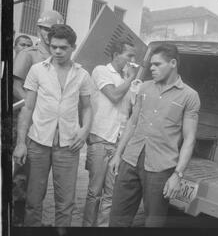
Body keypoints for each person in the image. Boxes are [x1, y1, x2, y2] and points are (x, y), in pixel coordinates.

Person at [109, 43, 200, 227]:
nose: (151, 68)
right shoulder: (144, 88)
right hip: (131, 160)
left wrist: (177, 175)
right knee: (118, 219)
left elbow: (189, 139)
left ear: (173, 63)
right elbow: (133, 122)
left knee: (153, 223)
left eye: (157, 64)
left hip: (161, 167)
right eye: (151, 64)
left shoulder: (189, 96)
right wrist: (118, 154)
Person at [12, 24, 93, 227]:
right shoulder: (37, 70)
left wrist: (84, 132)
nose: (57, 51)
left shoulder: (82, 75)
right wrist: (21, 143)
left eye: (63, 47)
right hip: (38, 143)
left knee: (65, 204)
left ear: (73, 47)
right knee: (33, 201)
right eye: (54, 46)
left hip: (68, 146)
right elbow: (28, 109)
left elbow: (87, 108)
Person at [12, 10, 64, 227]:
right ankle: (15, 221)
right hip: (28, 121)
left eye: (49, 29)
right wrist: (34, 108)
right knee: (23, 176)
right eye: (42, 28)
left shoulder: (59, 56)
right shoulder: (29, 54)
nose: (44, 33)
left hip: (49, 127)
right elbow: (14, 86)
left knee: (38, 180)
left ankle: (31, 221)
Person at [82, 39, 137, 227]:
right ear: (115, 55)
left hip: (118, 144)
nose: (132, 60)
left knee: (111, 195)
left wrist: (132, 82)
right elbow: (113, 96)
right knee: (94, 193)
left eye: (134, 56)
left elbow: (133, 111)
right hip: (101, 140)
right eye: (129, 55)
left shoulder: (129, 80)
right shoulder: (101, 71)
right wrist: (130, 79)